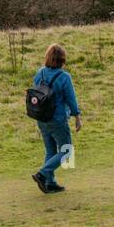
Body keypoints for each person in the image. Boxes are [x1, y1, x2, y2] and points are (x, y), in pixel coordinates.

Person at [31, 43, 81, 194]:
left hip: (42, 118)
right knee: (67, 150)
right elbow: (71, 99)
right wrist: (77, 116)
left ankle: (50, 182)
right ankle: (43, 173)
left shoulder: (40, 73)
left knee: (50, 151)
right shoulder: (64, 77)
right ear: (62, 59)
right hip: (58, 119)